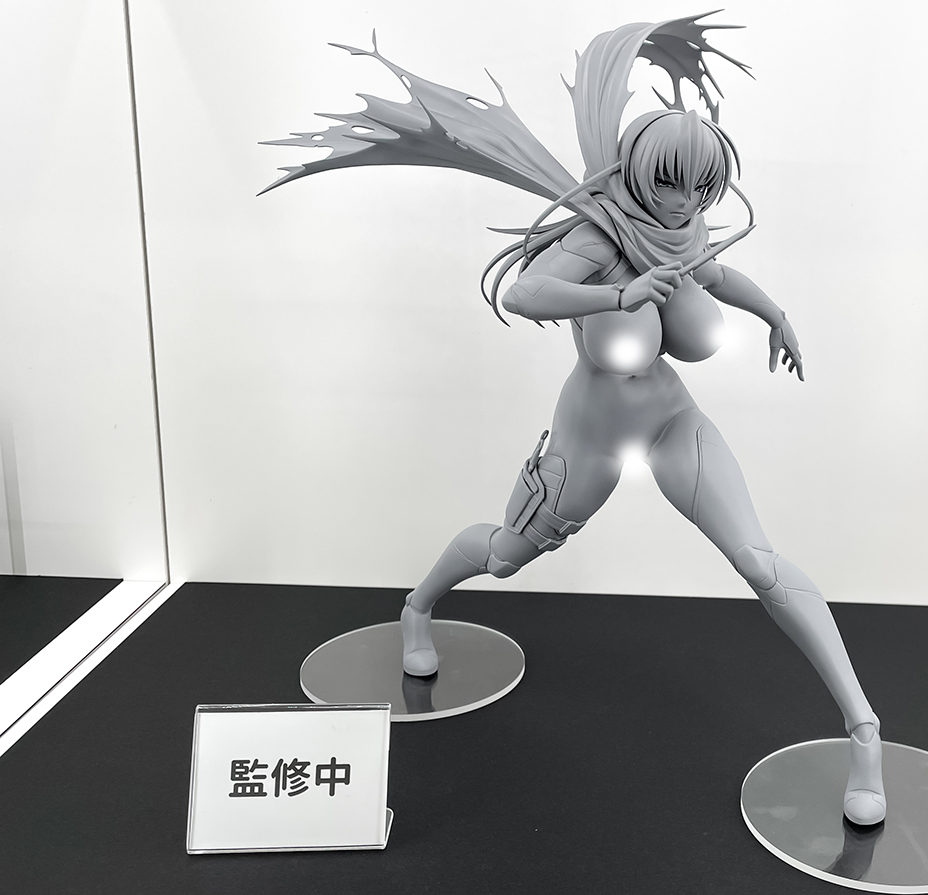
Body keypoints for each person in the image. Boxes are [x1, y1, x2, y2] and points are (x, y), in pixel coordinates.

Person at [268, 13, 886, 827]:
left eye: (701, 188)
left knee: (761, 565)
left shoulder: (684, 226)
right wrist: (617, 294)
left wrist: (775, 312)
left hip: (671, 421)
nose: (686, 202)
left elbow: (714, 274)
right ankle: (418, 606)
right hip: (589, 437)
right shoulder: (599, 235)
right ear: (639, 172)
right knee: (506, 554)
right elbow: (525, 292)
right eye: (672, 184)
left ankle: (864, 729)